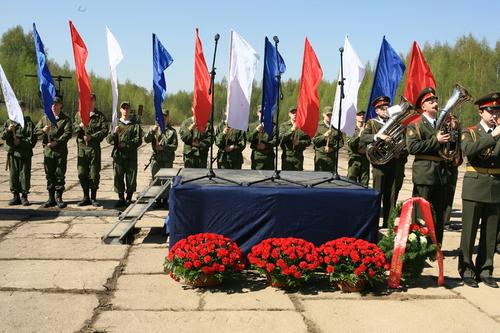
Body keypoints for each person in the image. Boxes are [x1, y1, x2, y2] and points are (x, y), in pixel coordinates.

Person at [458, 92, 500, 288]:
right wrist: (494, 135)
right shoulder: (470, 131)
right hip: (475, 185)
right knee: (469, 231)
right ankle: (466, 269)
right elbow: (469, 150)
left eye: (497, 111)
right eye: (490, 111)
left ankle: (485, 270)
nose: (494, 114)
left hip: (495, 186)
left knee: (490, 233)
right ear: (480, 112)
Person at [406, 87, 454, 245]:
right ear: (423, 106)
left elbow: (451, 147)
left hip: (441, 173)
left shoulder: (442, 123)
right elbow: (413, 148)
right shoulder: (416, 125)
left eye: (435, 100)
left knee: (439, 214)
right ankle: (419, 246)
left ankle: (436, 246)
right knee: (421, 213)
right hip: (425, 173)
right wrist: (436, 140)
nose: (434, 103)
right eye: (430, 101)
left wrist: (453, 133)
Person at [361, 96, 403, 227]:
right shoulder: (372, 123)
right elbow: (363, 137)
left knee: (391, 194)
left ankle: (388, 222)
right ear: (377, 111)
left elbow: (403, 141)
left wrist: (399, 151)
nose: (385, 110)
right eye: (382, 108)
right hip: (379, 164)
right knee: (378, 192)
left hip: (392, 162)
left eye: (386, 107)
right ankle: (374, 221)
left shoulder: (395, 123)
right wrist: (378, 136)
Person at [35, 96, 73, 208]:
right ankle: (51, 198)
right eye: (52, 104)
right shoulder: (45, 118)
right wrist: (43, 130)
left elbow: (68, 133)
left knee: (60, 174)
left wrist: (57, 142)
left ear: (61, 105)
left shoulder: (65, 119)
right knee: (49, 175)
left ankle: (59, 197)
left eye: (56, 104)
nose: (53, 106)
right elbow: (36, 132)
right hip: (48, 152)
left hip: (60, 151)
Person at [74, 93, 109, 207]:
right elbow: (72, 129)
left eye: (91, 100)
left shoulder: (100, 116)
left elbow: (104, 130)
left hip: (94, 148)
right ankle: (86, 197)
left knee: (94, 173)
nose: (89, 102)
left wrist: (92, 137)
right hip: (82, 148)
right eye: (87, 100)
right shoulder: (79, 115)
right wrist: (80, 126)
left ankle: (93, 197)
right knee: (82, 172)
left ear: (94, 101)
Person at [106, 101, 143, 207]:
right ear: (120, 110)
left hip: (131, 156)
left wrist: (126, 144)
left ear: (130, 110)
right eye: (123, 108)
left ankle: (129, 198)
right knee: (118, 176)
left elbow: (138, 140)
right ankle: (121, 198)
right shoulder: (115, 123)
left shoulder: (134, 124)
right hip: (118, 156)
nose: (125, 110)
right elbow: (108, 139)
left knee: (131, 177)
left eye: (127, 108)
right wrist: (114, 133)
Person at [1, 101, 37, 206]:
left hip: (25, 154)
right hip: (13, 153)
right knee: (13, 175)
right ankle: (15, 196)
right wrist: (8, 130)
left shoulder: (29, 123)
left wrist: (20, 142)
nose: (19, 109)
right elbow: (3, 137)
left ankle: (24, 196)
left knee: (25, 175)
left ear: (24, 109)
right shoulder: (9, 122)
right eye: (17, 107)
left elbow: (32, 141)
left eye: (21, 107)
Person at [144, 109, 178, 178]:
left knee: (167, 183)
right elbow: (146, 140)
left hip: (167, 161)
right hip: (156, 160)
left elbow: (174, 146)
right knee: (156, 183)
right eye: (161, 116)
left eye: (165, 116)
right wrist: (152, 131)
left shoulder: (172, 131)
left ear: (168, 117)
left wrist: (163, 147)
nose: (163, 118)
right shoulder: (154, 129)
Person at [312, 106, 344, 172]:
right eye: (328, 115)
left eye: (331, 115)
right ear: (323, 115)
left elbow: (341, 142)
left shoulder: (336, 127)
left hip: (332, 157)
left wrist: (333, 148)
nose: (329, 116)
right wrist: (324, 136)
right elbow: (314, 140)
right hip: (321, 156)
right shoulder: (317, 126)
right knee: (320, 177)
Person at [279, 106, 311, 171]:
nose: (295, 114)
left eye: (297, 112)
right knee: (286, 176)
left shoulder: (304, 126)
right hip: (287, 156)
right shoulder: (284, 126)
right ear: (289, 114)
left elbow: (308, 141)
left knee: (297, 177)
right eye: (293, 113)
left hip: (298, 157)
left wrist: (298, 143)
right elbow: (281, 138)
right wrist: (291, 130)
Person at [248, 106, 276, 170]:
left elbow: (276, 140)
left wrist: (265, 145)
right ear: (257, 113)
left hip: (269, 158)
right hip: (257, 158)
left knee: (269, 178)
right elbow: (248, 138)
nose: (263, 114)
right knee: (257, 178)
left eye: (265, 112)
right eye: (261, 112)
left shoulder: (273, 126)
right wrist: (256, 130)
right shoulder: (252, 126)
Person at [347, 110, 370, 186]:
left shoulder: (368, 128)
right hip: (354, 159)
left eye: (363, 115)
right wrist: (359, 134)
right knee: (351, 182)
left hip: (365, 159)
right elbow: (351, 144)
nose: (362, 116)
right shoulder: (351, 129)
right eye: (359, 115)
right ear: (355, 117)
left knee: (364, 183)